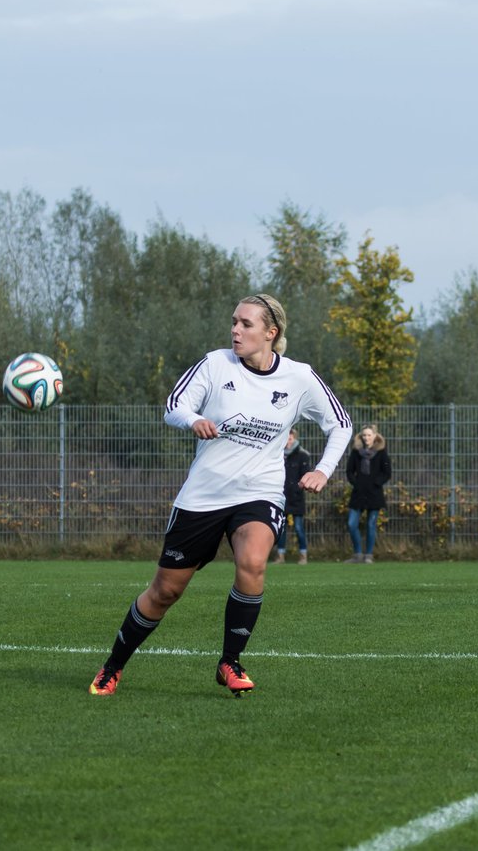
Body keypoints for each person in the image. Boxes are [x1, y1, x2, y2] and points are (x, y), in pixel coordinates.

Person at [88, 293, 352, 697]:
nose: (235, 330)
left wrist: (322, 470)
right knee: (165, 592)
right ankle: (113, 666)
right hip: (203, 496)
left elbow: (341, 425)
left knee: (252, 562)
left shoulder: (299, 378)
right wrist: (194, 420)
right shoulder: (215, 364)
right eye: (234, 322)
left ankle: (230, 661)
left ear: (271, 332)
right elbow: (174, 406)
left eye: (246, 324)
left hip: (259, 492)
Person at [345, 424, 391, 564]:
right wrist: (357, 483)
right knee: (352, 524)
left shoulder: (382, 452)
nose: (366, 438)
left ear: (375, 436)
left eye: (369, 435)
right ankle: (358, 554)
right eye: (364, 435)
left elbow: (387, 473)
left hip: (374, 494)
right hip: (358, 493)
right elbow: (349, 471)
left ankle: (369, 555)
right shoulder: (356, 452)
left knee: (371, 525)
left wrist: (376, 483)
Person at [273, 428, 312, 564]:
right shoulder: (276, 454)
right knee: (281, 528)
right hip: (280, 497)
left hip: (296, 498)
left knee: (298, 528)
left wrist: (296, 489)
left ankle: (303, 555)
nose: (288, 442)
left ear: (294, 438)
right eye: (286, 439)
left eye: (290, 439)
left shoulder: (303, 455)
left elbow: (305, 475)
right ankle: (280, 555)